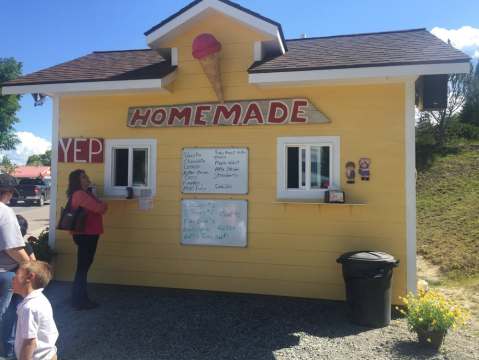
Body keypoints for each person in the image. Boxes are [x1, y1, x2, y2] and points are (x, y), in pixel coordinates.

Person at [67, 170, 108, 310]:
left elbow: (98, 206)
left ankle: (80, 298)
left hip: (87, 234)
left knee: (84, 267)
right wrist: (101, 202)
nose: (87, 178)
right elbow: (100, 208)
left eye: (86, 175)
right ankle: (79, 300)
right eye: (83, 177)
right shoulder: (80, 194)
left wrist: (95, 196)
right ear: (77, 181)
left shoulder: (86, 193)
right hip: (86, 235)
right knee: (83, 268)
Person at [0, 174, 30, 357]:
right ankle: (6, 353)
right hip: (4, 272)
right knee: (6, 316)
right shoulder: (4, 212)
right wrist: (31, 265)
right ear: (8, 193)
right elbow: (12, 248)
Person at [1, 215, 36, 358]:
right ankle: (12, 350)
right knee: (17, 314)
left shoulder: (2, 240)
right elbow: (33, 263)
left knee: (6, 313)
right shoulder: (21, 244)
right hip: (16, 281)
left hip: (5, 279)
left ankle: (7, 348)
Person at [12, 261, 58, 360]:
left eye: (17, 274)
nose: (13, 278)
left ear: (29, 277)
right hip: (49, 355)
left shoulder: (29, 308)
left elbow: (29, 341)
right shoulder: (40, 299)